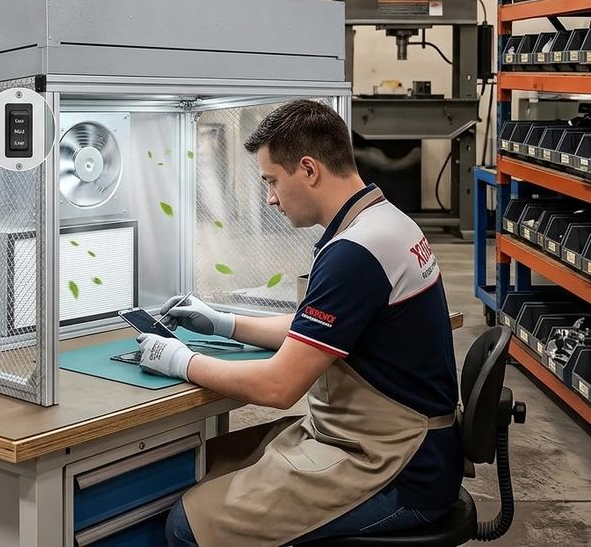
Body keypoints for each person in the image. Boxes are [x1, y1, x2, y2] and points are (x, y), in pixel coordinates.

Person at [136, 99, 463, 547]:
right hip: (388, 441)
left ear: (308, 170)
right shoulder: (384, 222)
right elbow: (317, 329)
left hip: (395, 466)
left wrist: (179, 360)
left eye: (272, 180)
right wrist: (225, 323)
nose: (270, 198)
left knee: (187, 526)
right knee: (208, 461)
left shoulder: (356, 253)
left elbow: (278, 387)